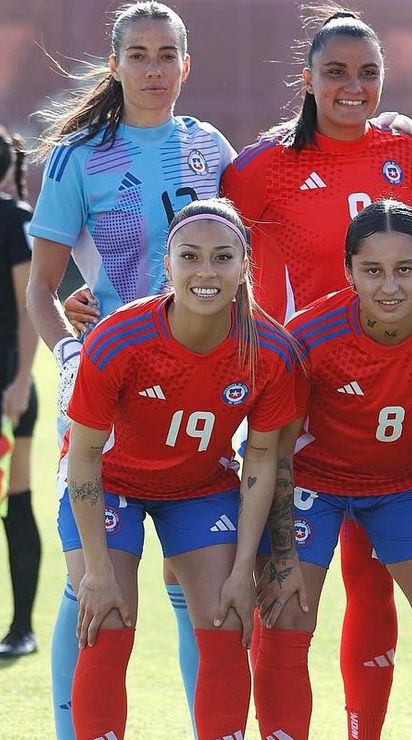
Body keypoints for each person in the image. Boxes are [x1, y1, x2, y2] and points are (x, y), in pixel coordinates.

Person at [25, 4, 235, 735]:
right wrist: (70, 355)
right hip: (110, 388)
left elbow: (234, 263)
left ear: (187, 63)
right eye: (139, 54)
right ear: (115, 64)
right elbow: (40, 286)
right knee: (95, 584)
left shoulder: (211, 148)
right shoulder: (77, 154)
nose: (154, 68)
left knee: (195, 581)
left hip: (204, 388)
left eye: (166, 54)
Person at [218, 12, 412, 735]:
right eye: (336, 71)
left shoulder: (406, 149)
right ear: (306, 79)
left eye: (369, 72)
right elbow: (205, 255)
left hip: (394, 391)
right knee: (286, 598)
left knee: (373, 584)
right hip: (297, 396)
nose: (353, 86)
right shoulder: (259, 165)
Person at [61, 197, 299, 739]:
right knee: (108, 620)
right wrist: (97, 572)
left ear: (245, 267)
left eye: (222, 257)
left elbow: (261, 457)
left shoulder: (270, 350)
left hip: (197, 487)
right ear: (167, 265)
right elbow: (84, 454)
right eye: (190, 257)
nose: (206, 272)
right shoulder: (121, 338)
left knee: (228, 618)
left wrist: (243, 570)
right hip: (110, 483)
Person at [251, 200, 412, 740]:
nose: (390, 287)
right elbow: (277, 451)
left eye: (405, 270)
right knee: (286, 613)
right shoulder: (309, 334)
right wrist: (282, 553)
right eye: (372, 270)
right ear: (347, 270)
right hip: (316, 483)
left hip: (408, 482)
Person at [0, 126, 40, 660]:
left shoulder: (16, 221)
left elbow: (31, 307)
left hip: (4, 387)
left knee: (15, 502)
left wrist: (19, 382)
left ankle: (21, 628)